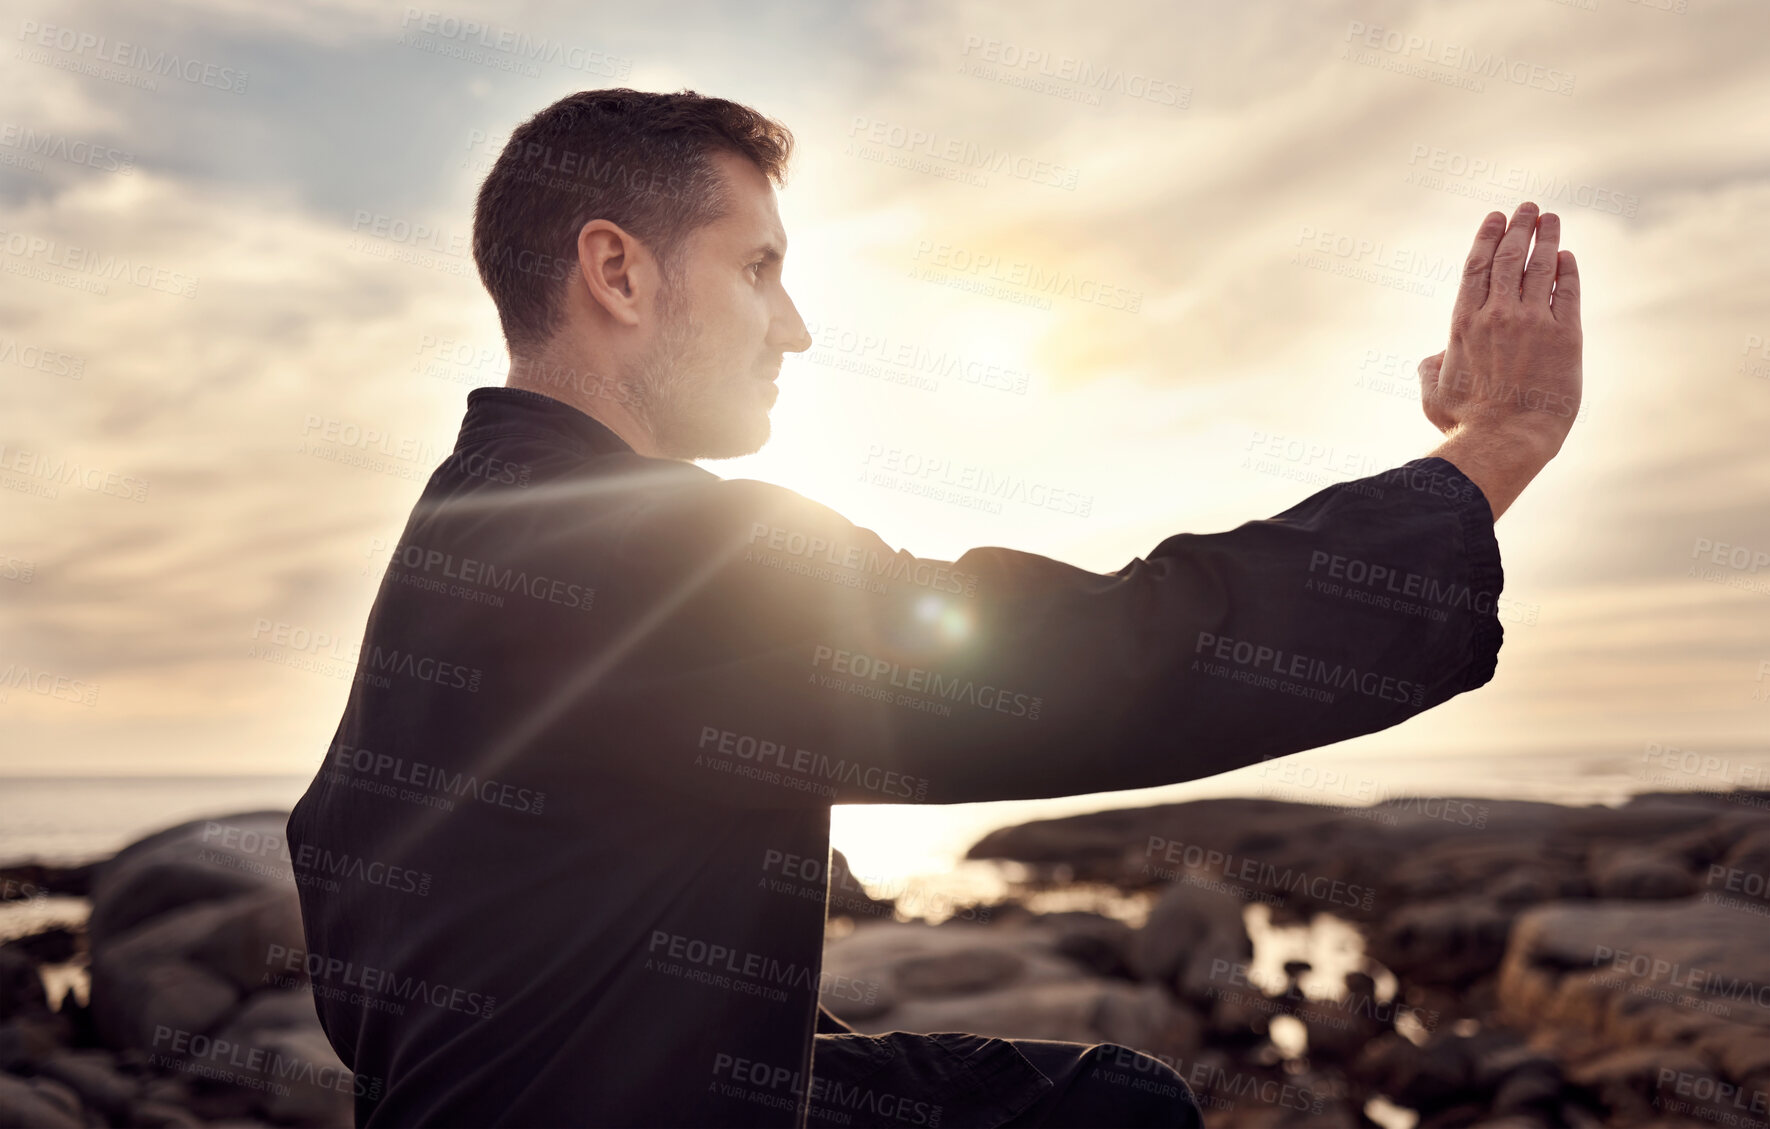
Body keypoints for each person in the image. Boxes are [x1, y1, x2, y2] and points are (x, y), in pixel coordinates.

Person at [286, 87, 1582, 1127]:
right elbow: (1092, 663)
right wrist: (1489, 450)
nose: (792, 327)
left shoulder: (462, 528)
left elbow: (392, 908)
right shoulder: (640, 552)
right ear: (616, 275)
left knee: (1108, 1103)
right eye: (757, 268)